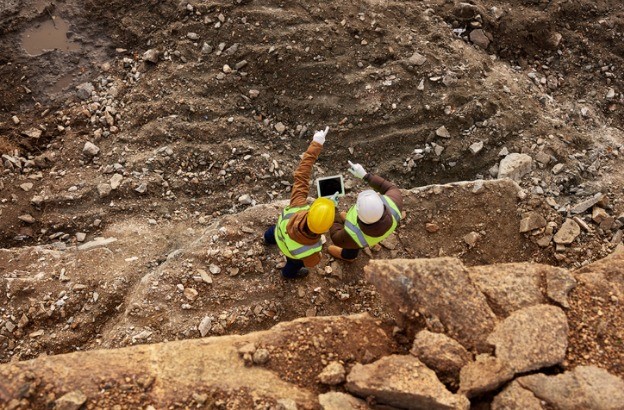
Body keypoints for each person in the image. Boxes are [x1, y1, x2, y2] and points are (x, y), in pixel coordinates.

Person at [263, 127, 335, 279]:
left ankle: (267, 239)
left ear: (311, 210)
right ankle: (287, 275)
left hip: (279, 233)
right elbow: (312, 262)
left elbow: (302, 174)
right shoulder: (314, 247)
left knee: (272, 233)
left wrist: (316, 143)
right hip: (291, 254)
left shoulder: (298, 205)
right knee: (293, 266)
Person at [328, 161, 403, 261]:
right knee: (355, 241)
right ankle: (349, 225)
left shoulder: (354, 235)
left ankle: (348, 257)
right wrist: (366, 176)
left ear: (358, 215)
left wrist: (333, 209)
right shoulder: (394, 205)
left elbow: (335, 237)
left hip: (357, 240)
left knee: (352, 247)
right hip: (378, 232)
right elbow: (390, 187)